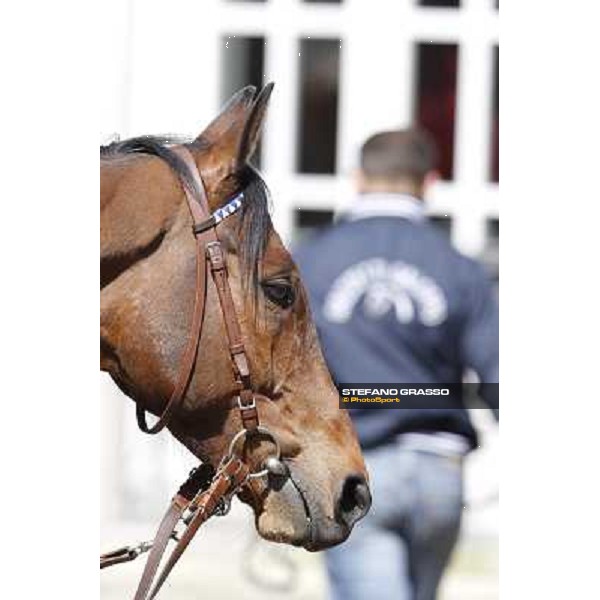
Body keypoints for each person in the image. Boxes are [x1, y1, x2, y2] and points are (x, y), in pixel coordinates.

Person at [293, 129, 499, 600]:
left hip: (354, 466)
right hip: (440, 474)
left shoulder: (310, 261)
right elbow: (499, 378)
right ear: (429, 182)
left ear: (358, 178)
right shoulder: (458, 267)